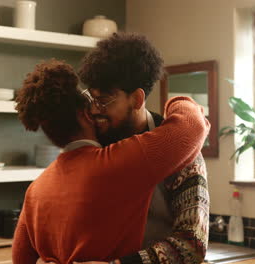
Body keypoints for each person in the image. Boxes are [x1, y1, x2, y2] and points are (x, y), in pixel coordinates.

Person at [12, 59, 209, 264]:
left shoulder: (34, 191)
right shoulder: (116, 163)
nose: (97, 110)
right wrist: (181, 102)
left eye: (103, 101)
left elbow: (20, 258)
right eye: (92, 102)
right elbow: (190, 127)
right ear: (85, 114)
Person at [75, 33, 210, 264]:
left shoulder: (181, 152)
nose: (95, 110)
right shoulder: (92, 143)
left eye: (104, 101)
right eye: (91, 98)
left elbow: (192, 243)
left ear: (137, 99)